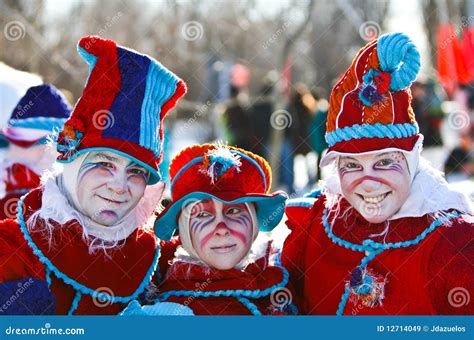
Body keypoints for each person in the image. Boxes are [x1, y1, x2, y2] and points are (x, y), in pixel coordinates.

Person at [281, 32, 474, 315]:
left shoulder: (456, 246)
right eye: (351, 165)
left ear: (412, 160)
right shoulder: (314, 228)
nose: (368, 184)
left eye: (384, 163)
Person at [0, 35, 186, 315]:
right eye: (104, 163)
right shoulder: (15, 246)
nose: (119, 186)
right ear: (72, 161)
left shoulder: (157, 261)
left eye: (136, 171)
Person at [121, 143, 293, 315]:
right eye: (203, 215)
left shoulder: (285, 281)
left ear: (254, 222)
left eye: (233, 210)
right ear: (184, 229)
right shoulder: (167, 308)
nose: (221, 228)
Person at [0, 84, 71, 220]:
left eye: (60, 147)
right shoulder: (8, 182)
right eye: (42, 143)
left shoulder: (61, 192)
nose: (49, 154)